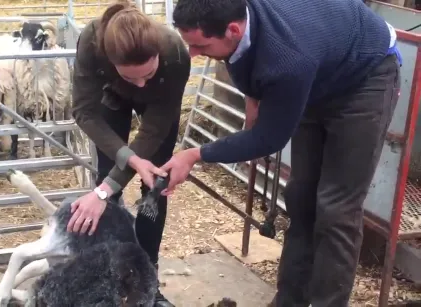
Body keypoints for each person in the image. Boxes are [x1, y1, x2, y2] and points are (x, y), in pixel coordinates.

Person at [164, 0, 402, 306]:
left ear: (233, 29)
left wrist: (193, 155)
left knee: (336, 207)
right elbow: (246, 58)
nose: (194, 53)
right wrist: (254, 96)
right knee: (301, 197)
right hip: (318, 66)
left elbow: (268, 139)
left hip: (364, 75)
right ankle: (289, 300)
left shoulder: (287, 59)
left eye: (200, 45)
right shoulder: (238, 19)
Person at [67, 1, 191, 306]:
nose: (140, 83)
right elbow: (84, 112)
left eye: (146, 73)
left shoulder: (175, 53)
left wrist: (112, 184)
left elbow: (154, 128)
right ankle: (109, 273)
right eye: (132, 76)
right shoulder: (92, 42)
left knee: (155, 186)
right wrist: (108, 187)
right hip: (113, 99)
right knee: (109, 180)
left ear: (158, 56)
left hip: (159, 106)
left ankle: (148, 282)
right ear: (110, 61)